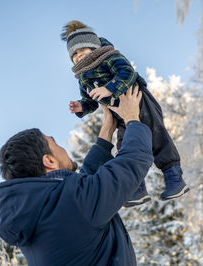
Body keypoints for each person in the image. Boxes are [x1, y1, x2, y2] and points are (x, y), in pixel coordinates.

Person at [0, 87, 153, 265]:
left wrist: (107, 129)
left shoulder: (30, 213)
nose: (63, 148)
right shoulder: (76, 203)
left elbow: (81, 192)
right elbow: (133, 161)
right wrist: (132, 118)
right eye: (55, 144)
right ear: (49, 161)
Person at [61, 20, 189, 206]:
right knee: (125, 146)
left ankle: (174, 178)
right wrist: (82, 107)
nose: (78, 56)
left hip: (139, 101)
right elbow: (90, 99)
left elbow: (127, 72)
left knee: (157, 137)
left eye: (82, 51)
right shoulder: (82, 78)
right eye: (74, 55)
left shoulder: (108, 57)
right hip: (119, 114)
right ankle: (137, 188)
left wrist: (109, 88)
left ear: (94, 47)